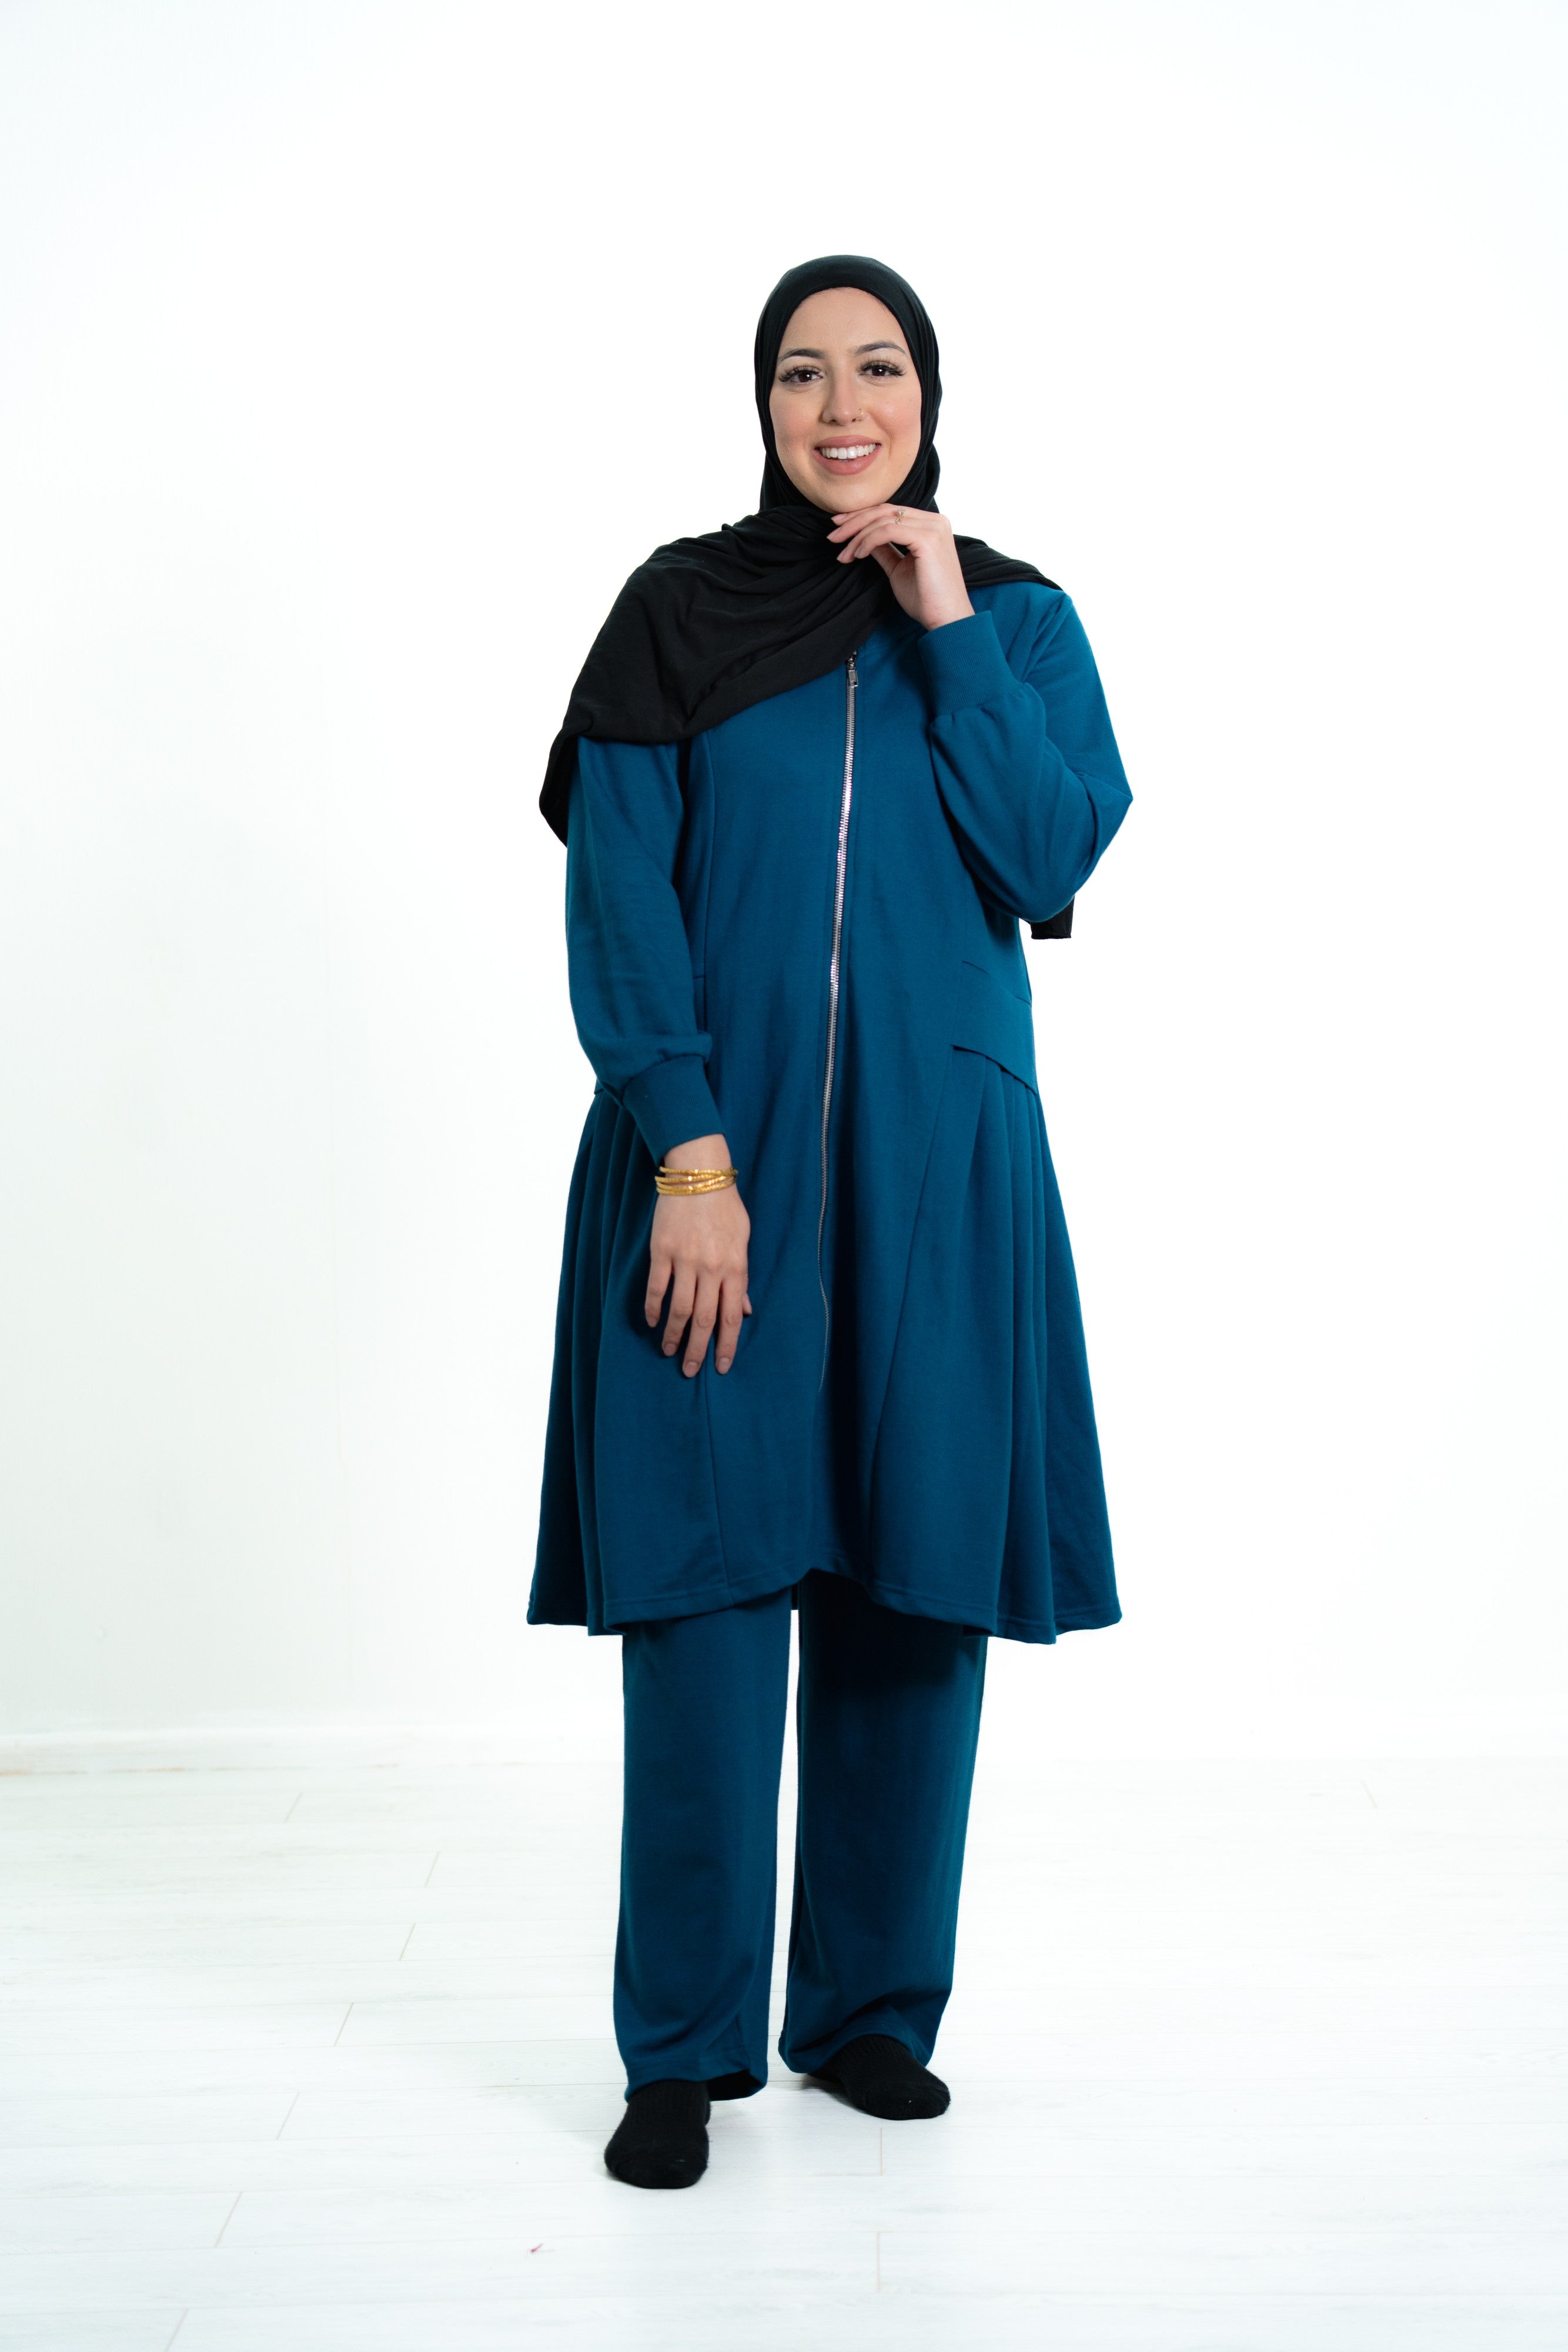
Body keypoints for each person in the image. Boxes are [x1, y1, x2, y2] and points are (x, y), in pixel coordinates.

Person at [530, 256, 1131, 2189]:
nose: (841, 405)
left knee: (912, 1576)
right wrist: (687, 1158)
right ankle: (680, 2053)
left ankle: (870, 2013)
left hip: (940, 1175)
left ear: (928, 399)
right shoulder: (677, 609)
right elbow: (621, 897)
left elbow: (1047, 848)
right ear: (761, 402)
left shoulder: (1017, 618)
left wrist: (943, 619)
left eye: (878, 369)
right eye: (803, 372)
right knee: (703, 1591)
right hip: (715, 1171)